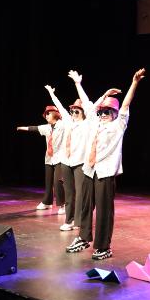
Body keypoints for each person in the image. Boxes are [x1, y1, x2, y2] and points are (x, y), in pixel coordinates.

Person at [65, 68, 145, 260]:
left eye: (107, 111)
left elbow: (126, 105)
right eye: (101, 111)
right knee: (85, 207)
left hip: (105, 173)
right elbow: (87, 105)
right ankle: (83, 238)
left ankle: (103, 247)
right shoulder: (95, 123)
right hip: (89, 170)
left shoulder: (118, 126)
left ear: (115, 113)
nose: (102, 114)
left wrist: (134, 83)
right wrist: (78, 83)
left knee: (104, 211)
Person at [43, 88, 89, 231]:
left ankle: (78, 221)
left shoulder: (87, 124)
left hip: (80, 162)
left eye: (77, 111)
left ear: (83, 112)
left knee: (80, 193)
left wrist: (78, 84)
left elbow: (90, 107)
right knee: (69, 193)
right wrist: (51, 93)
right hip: (66, 161)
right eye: (72, 111)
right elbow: (59, 106)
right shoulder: (68, 121)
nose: (73, 113)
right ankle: (69, 220)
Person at [16, 105, 67, 213]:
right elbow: (34, 128)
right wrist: (22, 128)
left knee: (58, 182)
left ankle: (63, 205)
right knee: (48, 181)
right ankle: (47, 202)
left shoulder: (62, 125)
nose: (46, 116)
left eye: (48, 113)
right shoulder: (47, 127)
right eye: (45, 114)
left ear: (55, 114)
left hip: (60, 157)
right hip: (49, 158)